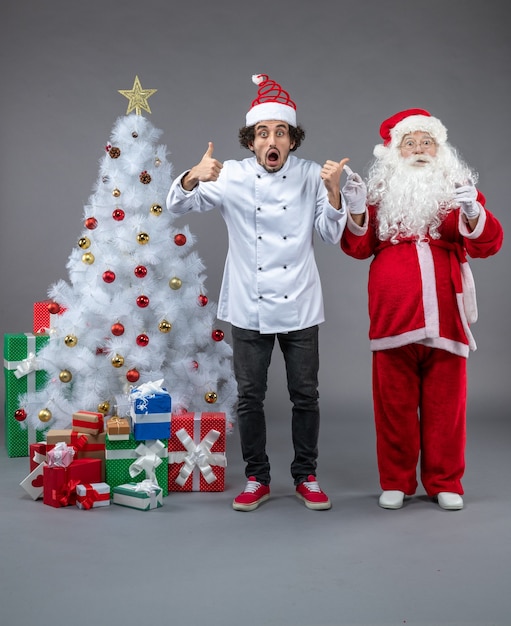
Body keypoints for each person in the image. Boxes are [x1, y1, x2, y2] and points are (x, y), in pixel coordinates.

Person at [167, 74, 349, 511]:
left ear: (291, 140)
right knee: (250, 397)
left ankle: (306, 476)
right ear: (251, 141)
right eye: (263, 133)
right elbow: (175, 206)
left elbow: (329, 233)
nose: (272, 140)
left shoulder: (311, 176)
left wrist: (335, 195)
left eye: (281, 132)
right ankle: (256, 478)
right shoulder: (229, 175)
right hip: (249, 305)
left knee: (306, 395)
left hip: (301, 303)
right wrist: (193, 176)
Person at [340, 108, 503, 511]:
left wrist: (472, 212)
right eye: (409, 142)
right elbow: (357, 248)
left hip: (447, 318)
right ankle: (396, 481)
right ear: (394, 151)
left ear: (440, 149)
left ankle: (445, 481)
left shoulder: (458, 191)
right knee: (393, 406)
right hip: (393, 318)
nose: (418, 149)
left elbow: (489, 244)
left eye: (426, 142)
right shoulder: (379, 196)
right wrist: (358, 211)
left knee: (446, 407)